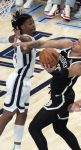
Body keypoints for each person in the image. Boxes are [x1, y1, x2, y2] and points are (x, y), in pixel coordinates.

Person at [18, 32, 81, 150]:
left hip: (61, 99)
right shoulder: (68, 44)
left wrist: (50, 70)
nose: (76, 41)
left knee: (34, 128)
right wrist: (30, 44)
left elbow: (62, 75)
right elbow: (44, 43)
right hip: (62, 94)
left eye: (79, 42)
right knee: (60, 129)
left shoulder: (80, 65)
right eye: (78, 38)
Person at [0, 11, 36, 150]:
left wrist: (15, 36)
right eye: (30, 23)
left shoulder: (19, 37)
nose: (33, 25)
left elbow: (8, 39)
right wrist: (22, 39)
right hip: (19, 82)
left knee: (22, 113)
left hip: (23, 82)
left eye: (33, 22)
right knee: (7, 115)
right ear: (21, 27)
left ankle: (17, 147)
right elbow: (26, 47)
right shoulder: (25, 38)